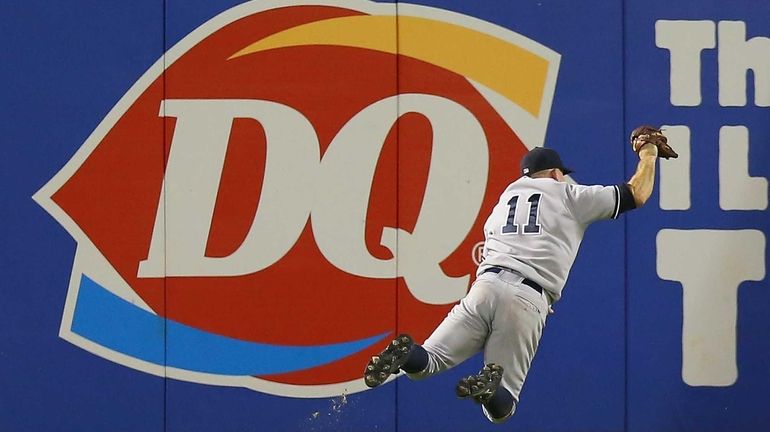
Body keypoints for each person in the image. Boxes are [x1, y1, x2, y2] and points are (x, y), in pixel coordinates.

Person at [363, 133, 664, 423]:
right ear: (557, 173)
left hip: (485, 287)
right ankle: (490, 388)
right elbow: (636, 193)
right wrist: (648, 154)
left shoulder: (504, 201)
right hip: (528, 297)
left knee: (426, 363)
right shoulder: (568, 193)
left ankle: (405, 356)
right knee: (501, 409)